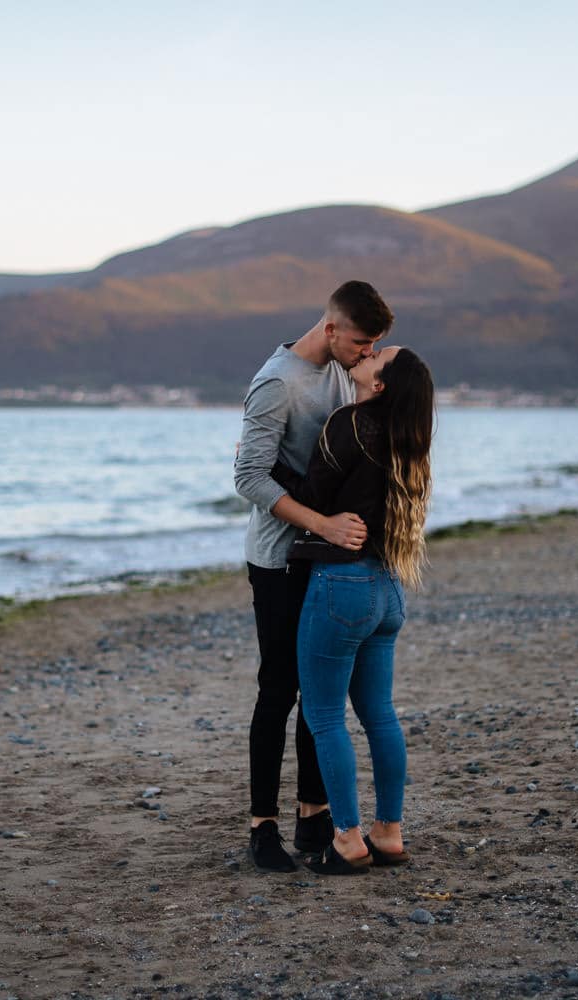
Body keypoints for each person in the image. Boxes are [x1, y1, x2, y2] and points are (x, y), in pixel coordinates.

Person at [232, 280, 394, 873]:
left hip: (322, 558)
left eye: (374, 344)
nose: (365, 352)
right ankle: (261, 827)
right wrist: (323, 525)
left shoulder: (343, 373)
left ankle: (311, 816)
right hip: (278, 558)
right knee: (278, 691)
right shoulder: (278, 381)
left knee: (319, 694)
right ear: (331, 328)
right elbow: (248, 478)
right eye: (361, 341)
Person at [272, 346, 434, 874]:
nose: (367, 354)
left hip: (341, 584)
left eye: (377, 356)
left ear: (380, 384)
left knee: (323, 716)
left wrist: (268, 462)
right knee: (380, 714)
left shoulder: (352, 422)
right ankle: (388, 833)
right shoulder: (408, 442)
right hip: (388, 586)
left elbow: (313, 496)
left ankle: (346, 839)